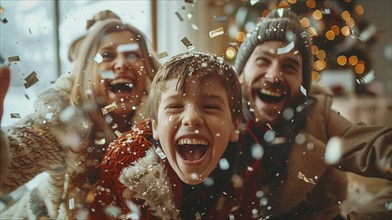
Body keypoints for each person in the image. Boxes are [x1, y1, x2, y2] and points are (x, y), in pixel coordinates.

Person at [234, 8, 392, 220]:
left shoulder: (316, 113)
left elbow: (367, 145)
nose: (273, 76)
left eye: (289, 67)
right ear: (241, 73)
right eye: (263, 61)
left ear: (303, 87)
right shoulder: (223, 112)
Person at [0, 17, 160, 219]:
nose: (121, 64)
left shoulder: (163, 124)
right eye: (107, 56)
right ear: (87, 72)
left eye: (132, 55)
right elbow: (18, 153)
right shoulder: (66, 121)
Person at [88, 51, 247, 219]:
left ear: (235, 125)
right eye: (175, 106)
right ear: (155, 125)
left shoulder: (248, 171)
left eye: (210, 107)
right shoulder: (121, 168)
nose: (191, 118)